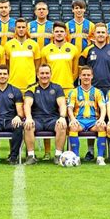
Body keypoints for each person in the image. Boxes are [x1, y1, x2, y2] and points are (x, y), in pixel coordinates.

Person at [79, 23, 110, 161]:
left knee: (109, 120)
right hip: (93, 89)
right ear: (94, 34)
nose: (101, 34)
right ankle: (90, 151)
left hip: (109, 89)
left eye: (103, 32)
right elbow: (82, 70)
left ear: (106, 34)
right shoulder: (87, 50)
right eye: (98, 32)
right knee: (93, 119)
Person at [40, 21, 79, 160]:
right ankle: (47, 152)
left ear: (65, 33)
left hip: (68, 88)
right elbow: (42, 70)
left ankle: (67, 151)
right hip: (49, 90)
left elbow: (75, 71)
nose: (59, 33)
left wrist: (68, 81)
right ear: (53, 33)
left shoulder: (73, 49)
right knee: (48, 116)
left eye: (61, 31)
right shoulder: (45, 49)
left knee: (66, 120)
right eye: (56, 31)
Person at [24, 64, 67, 165]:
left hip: (52, 119)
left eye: (47, 73)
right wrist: (29, 118)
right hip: (37, 120)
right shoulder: (31, 88)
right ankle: (31, 156)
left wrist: (62, 117)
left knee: (61, 124)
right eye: (42, 73)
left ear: (51, 74)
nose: (44, 76)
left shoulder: (57, 88)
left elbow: (62, 104)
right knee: (28, 125)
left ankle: (58, 155)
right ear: (37, 75)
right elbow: (27, 104)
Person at [0, 65, 24, 165]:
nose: (2, 76)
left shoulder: (16, 91)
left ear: (8, 76)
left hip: (10, 120)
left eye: (5, 74)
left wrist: (18, 117)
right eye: (0, 74)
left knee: (18, 126)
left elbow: (20, 112)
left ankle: (13, 157)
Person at [67, 66, 107, 165]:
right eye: (84, 75)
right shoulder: (74, 92)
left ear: (92, 76)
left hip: (93, 121)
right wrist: (72, 119)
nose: (86, 77)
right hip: (79, 121)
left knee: (102, 126)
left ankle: (100, 157)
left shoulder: (98, 92)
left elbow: (103, 107)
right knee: (73, 126)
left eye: (88, 75)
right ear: (80, 76)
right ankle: (76, 157)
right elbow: (70, 108)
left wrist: (101, 119)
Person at [4, 17, 41, 93]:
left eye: (23, 27)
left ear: (27, 29)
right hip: (13, 84)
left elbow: (37, 65)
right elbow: (7, 64)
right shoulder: (8, 45)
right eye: (19, 27)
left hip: (30, 84)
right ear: (15, 29)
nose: (21, 29)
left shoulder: (34, 45)